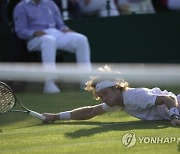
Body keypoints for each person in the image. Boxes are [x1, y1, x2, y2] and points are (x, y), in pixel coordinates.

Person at [43, 65, 180, 126]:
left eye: (105, 94)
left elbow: (169, 99)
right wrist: (55, 116)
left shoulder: (133, 96)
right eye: (100, 96)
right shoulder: (118, 101)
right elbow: (91, 111)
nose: (104, 99)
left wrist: (174, 116)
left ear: (116, 88)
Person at [13, 0, 91, 93]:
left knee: (81, 39)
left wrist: (66, 29)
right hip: (34, 38)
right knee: (49, 40)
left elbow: (60, 25)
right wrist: (34, 32)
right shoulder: (21, 7)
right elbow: (20, 31)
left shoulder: (50, 3)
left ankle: (85, 82)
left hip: (55, 34)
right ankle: (49, 83)